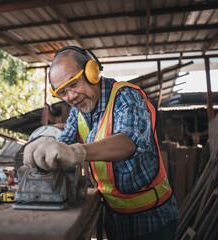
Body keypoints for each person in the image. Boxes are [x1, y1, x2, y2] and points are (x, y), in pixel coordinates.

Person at [23, 46, 178, 240]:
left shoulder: (126, 97)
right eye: (62, 92)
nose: (70, 97)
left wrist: (77, 152)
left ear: (92, 72)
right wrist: (46, 143)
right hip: (114, 219)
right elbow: (63, 144)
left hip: (152, 219)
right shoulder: (78, 112)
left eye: (73, 84)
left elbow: (128, 142)